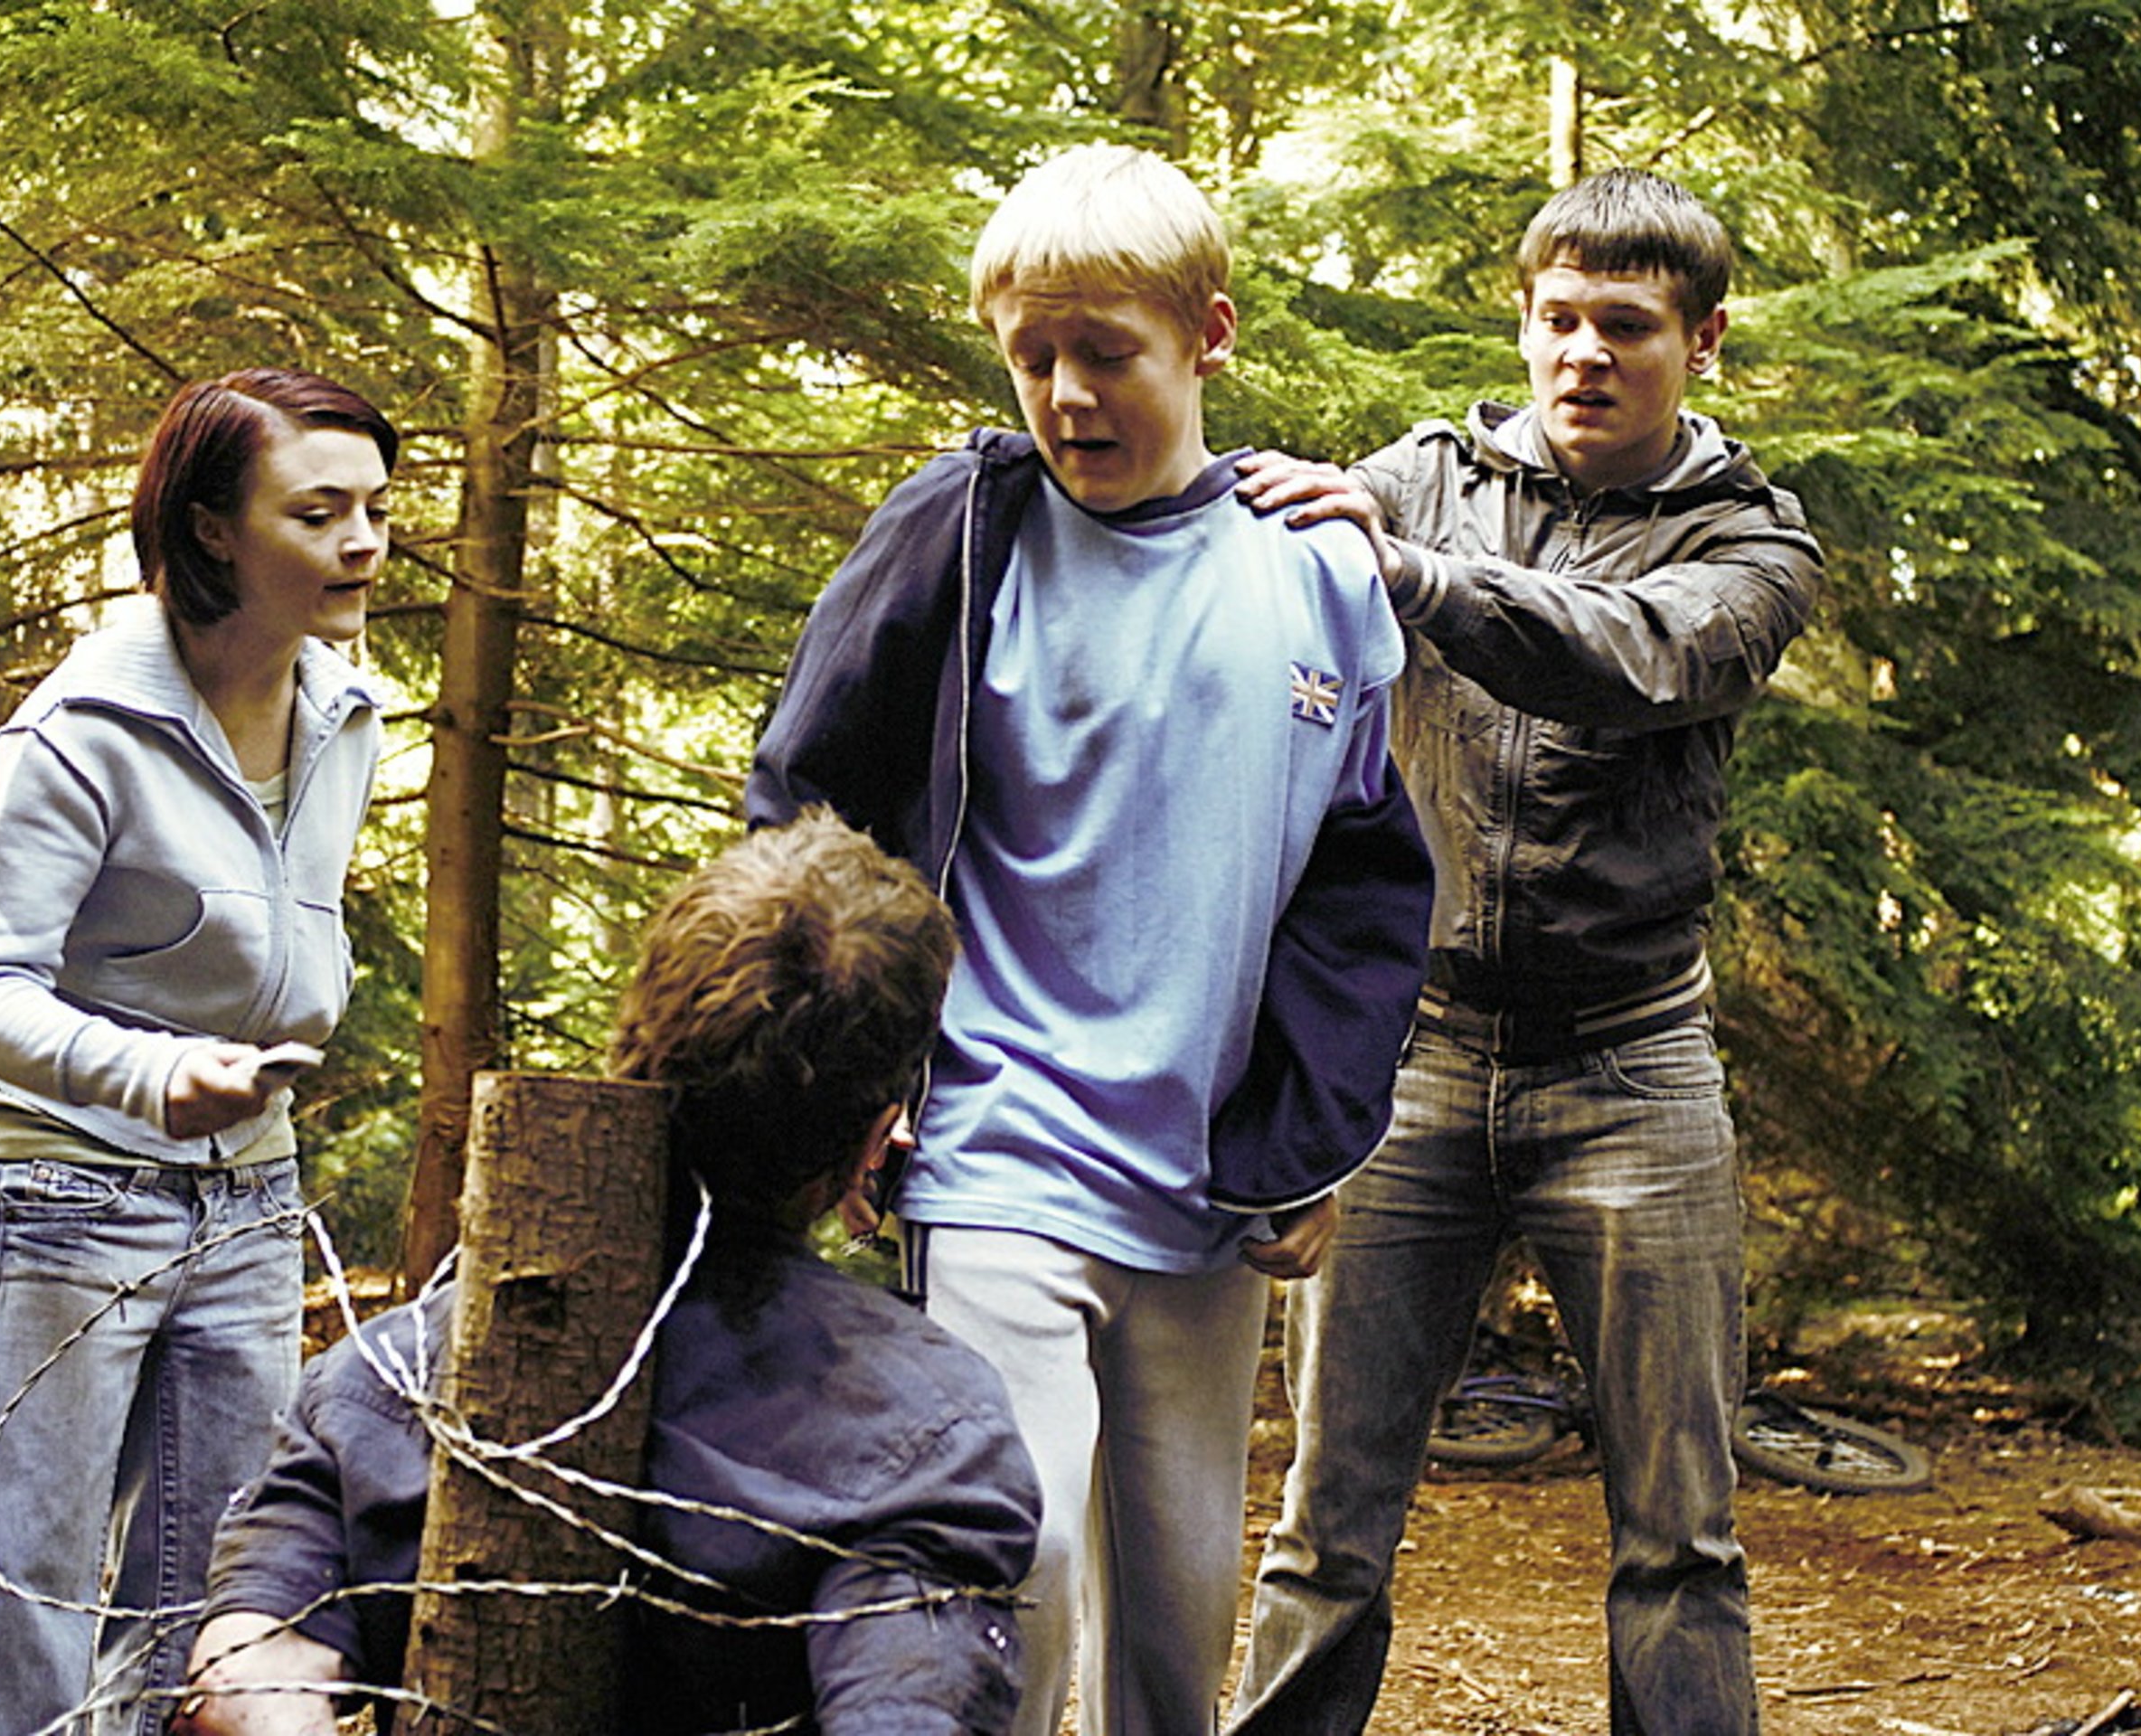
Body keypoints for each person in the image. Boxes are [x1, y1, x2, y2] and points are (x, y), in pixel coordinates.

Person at [744, 143, 1436, 1736]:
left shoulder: (1316, 574)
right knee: (1019, 1567)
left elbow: (1357, 889)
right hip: (998, 1148)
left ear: (1208, 333)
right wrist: (846, 1079)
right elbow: (810, 814)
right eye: (1029, 358)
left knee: (1175, 1631)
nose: (1063, 395)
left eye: (1104, 352)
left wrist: (1309, 1144)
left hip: (1207, 1185)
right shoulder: (966, 545)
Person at [1225, 167, 1825, 1735]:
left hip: (1632, 1070)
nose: (1581, 355)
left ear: (1700, 341)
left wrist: (1412, 575)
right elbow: (1246, 588)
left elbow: (1632, 659)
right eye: (1555, 319)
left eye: (1622, 326)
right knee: (1322, 1528)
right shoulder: (1421, 473)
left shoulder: (1753, 543)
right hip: (1407, 1066)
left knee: (1677, 1541)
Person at [170, 808, 1043, 1735]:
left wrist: (264, 1667)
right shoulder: (931, 1430)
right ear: (878, 1135)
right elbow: (908, 1708)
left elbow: (249, 1683)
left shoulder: (374, 1386)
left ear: (634, 1047)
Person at [0, 368, 395, 1736]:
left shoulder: (348, 718)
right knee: (24, 1587)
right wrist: (151, 1073)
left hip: (249, 1208)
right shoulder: (78, 730)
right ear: (214, 531)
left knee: (212, 1600)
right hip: (60, 1199)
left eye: (376, 509)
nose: (363, 543)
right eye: (319, 512)